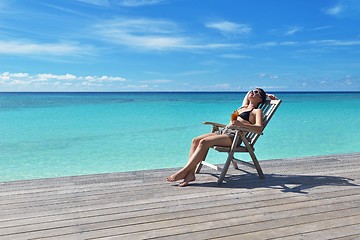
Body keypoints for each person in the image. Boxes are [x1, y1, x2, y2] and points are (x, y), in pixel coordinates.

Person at [166, 88, 275, 187]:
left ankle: (184, 171)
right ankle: (190, 174)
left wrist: (242, 125)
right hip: (223, 131)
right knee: (195, 140)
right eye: (252, 90)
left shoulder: (257, 111)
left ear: (260, 99)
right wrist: (267, 95)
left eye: (256, 92)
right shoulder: (242, 107)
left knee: (204, 142)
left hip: (234, 136)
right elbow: (247, 94)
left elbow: (259, 128)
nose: (252, 92)